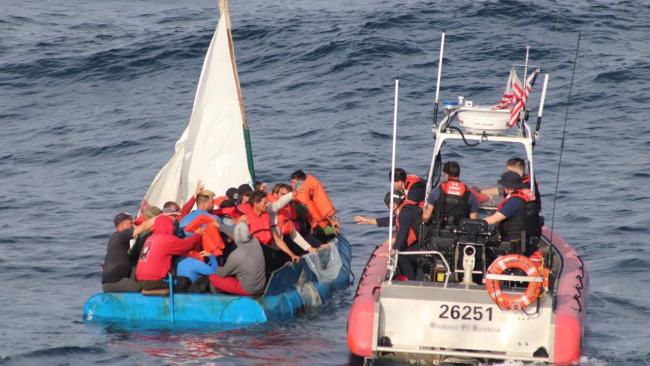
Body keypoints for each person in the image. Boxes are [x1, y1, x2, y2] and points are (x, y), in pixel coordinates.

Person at [135, 215, 203, 290]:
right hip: (154, 280)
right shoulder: (166, 239)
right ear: (168, 225)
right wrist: (197, 234)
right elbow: (187, 246)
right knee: (185, 282)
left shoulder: (150, 238)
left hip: (140, 280)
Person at [483, 171, 542, 254]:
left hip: (513, 245)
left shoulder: (514, 201)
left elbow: (494, 219)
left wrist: (478, 222)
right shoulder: (527, 197)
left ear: (507, 187)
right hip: (527, 242)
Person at [240, 190, 301, 264]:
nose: (267, 205)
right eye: (265, 203)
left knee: (288, 260)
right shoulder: (244, 219)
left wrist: (292, 255)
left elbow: (277, 240)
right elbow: (238, 240)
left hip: (268, 251)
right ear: (256, 204)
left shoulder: (266, 217)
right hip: (255, 255)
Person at [208, 222, 266, 296]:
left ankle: (220, 300)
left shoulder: (236, 255)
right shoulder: (255, 241)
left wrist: (216, 265)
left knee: (213, 277)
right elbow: (235, 233)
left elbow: (222, 274)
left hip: (249, 289)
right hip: (261, 285)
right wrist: (220, 226)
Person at [101, 212, 154, 292]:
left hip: (111, 281)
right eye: (130, 223)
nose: (133, 225)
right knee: (141, 290)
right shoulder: (122, 235)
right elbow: (144, 227)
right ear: (122, 225)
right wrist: (162, 217)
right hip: (116, 281)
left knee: (135, 264)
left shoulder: (115, 237)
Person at [422, 161, 478, 226]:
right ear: (458, 174)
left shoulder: (436, 191)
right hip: (460, 233)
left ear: (446, 175)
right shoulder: (469, 194)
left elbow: (426, 218)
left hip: (438, 233)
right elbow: (473, 221)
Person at [269, 183, 320, 254]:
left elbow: (293, 233)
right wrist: (290, 195)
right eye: (283, 194)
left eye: (287, 194)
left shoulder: (288, 209)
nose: (285, 197)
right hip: (272, 246)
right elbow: (278, 205)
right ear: (275, 194)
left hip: (282, 242)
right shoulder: (269, 206)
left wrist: (309, 248)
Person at [290, 170, 338, 236]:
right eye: (291, 182)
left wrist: (331, 220)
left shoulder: (305, 191)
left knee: (330, 235)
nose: (291, 185)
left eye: (294, 183)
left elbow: (323, 204)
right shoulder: (312, 186)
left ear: (300, 181)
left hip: (320, 224)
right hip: (316, 223)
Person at [394, 182, 426, 280]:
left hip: (421, 248)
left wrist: (395, 249)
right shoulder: (419, 209)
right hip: (424, 245)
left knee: (401, 256)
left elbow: (403, 233)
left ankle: (411, 280)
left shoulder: (407, 211)